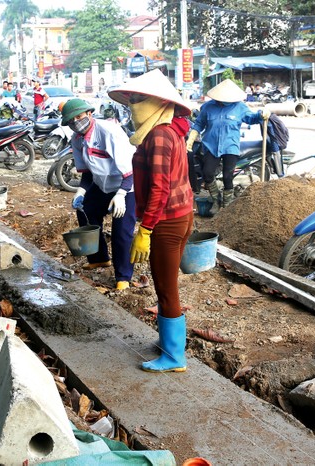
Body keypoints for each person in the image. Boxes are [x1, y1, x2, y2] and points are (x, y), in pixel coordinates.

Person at [108, 69, 194, 373]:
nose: (133, 105)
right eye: (131, 99)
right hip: (180, 214)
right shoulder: (170, 128)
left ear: (158, 102)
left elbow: (160, 187)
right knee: (166, 284)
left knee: (166, 288)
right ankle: (169, 346)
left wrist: (145, 228)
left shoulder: (158, 135)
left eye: (139, 99)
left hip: (167, 221)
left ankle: (174, 357)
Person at [62, 98, 136, 291]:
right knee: (86, 210)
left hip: (126, 185)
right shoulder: (76, 138)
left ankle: (123, 276)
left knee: (122, 231)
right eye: (72, 120)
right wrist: (81, 191)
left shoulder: (109, 132)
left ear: (89, 114)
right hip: (102, 185)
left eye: (79, 116)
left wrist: (121, 194)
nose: (76, 122)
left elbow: (129, 170)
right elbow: (86, 172)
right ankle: (99, 258)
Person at [186, 79, 270, 214]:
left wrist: (261, 115)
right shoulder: (208, 107)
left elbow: (251, 118)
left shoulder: (239, 107)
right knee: (207, 174)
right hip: (211, 145)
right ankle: (215, 200)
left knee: (227, 176)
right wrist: (191, 138)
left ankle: (227, 205)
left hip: (230, 146)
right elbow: (199, 124)